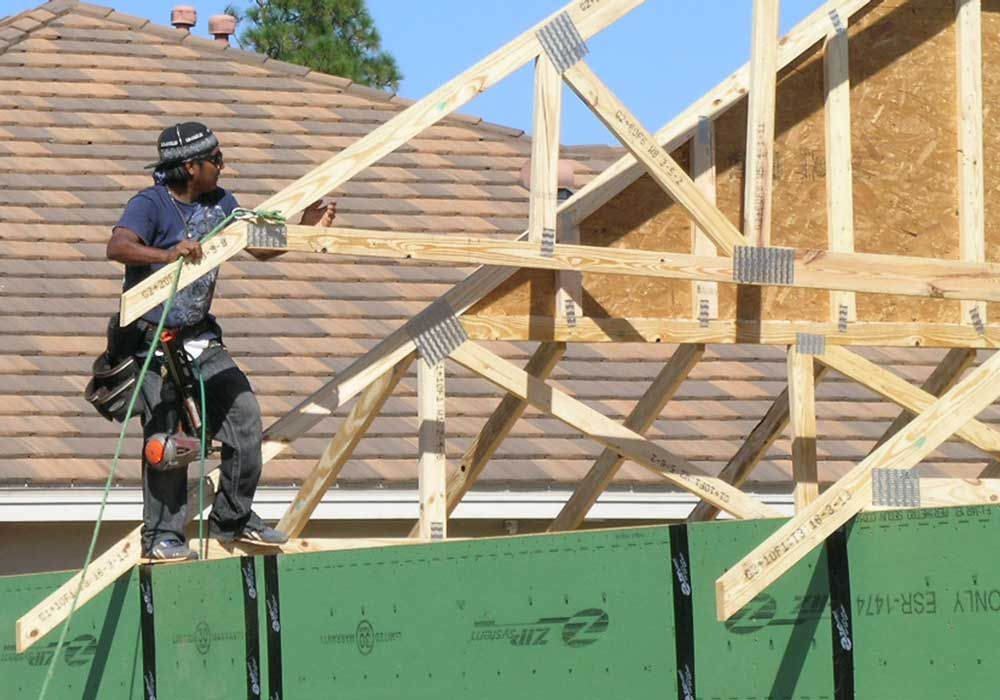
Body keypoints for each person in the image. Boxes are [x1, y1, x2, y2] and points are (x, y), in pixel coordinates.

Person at [107, 122, 334, 560]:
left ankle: (232, 516)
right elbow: (117, 246)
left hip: (199, 338)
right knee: (168, 441)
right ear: (191, 167)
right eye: (215, 160)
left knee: (244, 414)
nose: (222, 165)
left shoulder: (222, 202)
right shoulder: (150, 205)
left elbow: (259, 245)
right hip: (152, 343)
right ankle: (163, 537)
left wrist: (305, 227)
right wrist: (166, 254)